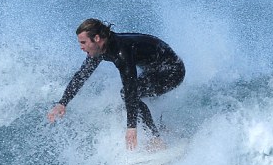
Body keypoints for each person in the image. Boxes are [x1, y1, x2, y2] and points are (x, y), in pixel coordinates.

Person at [47, 18, 185, 150]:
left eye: (83, 42)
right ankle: (163, 129)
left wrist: (131, 127)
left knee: (128, 95)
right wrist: (63, 103)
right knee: (128, 103)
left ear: (96, 39)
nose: (81, 47)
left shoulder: (121, 51)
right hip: (154, 71)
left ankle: (156, 140)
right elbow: (82, 75)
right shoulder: (100, 49)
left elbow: (130, 88)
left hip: (172, 71)